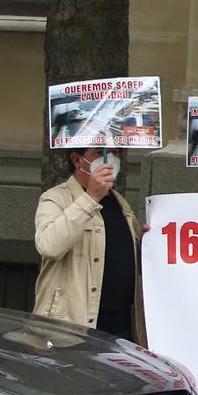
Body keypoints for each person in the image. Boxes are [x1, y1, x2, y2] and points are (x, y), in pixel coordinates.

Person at [33, 147, 141, 343]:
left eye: (115, 153)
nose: (109, 159)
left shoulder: (120, 203)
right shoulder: (56, 198)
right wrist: (91, 197)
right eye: (99, 153)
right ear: (77, 160)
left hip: (120, 331)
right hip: (72, 333)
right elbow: (49, 246)